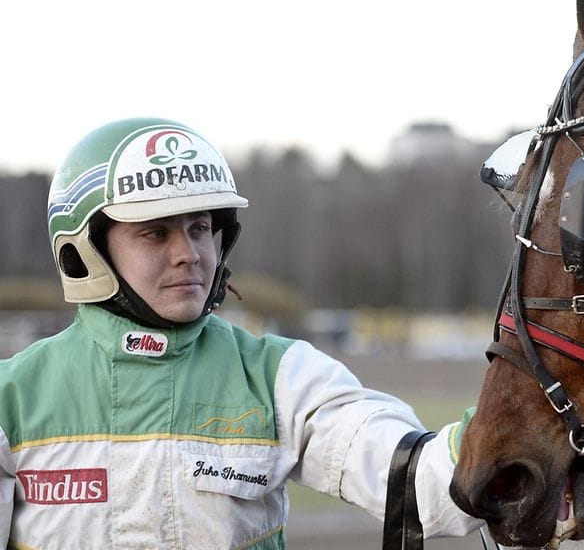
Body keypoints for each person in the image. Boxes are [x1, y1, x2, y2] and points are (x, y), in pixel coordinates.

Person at [0, 117, 480, 548]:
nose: (189, 252)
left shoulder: (282, 376)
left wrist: (507, 433)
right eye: (156, 232)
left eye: (200, 228)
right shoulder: (12, 398)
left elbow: (424, 484)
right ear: (87, 249)